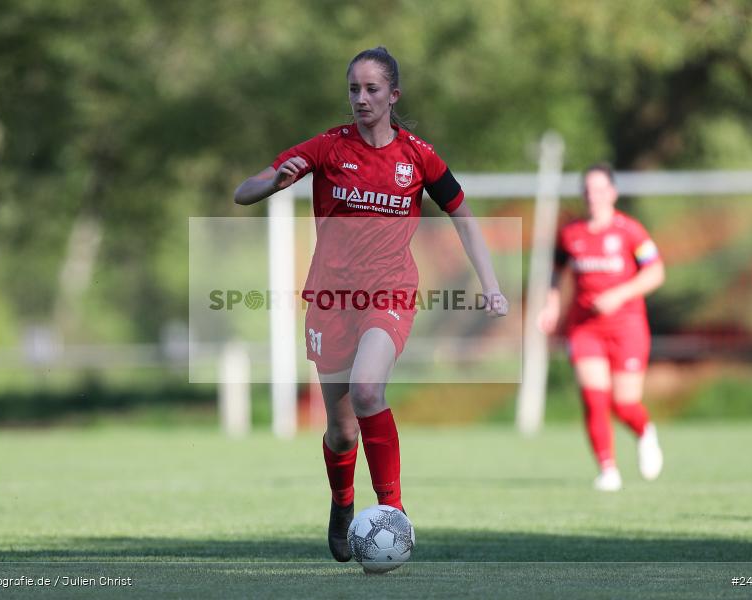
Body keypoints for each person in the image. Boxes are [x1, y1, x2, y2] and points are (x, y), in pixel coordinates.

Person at [234, 47, 508, 561]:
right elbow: (240, 193)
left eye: (372, 89)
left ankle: (393, 513)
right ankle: (342, 504)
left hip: (390, 291)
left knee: (367, 390)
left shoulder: (418, 157)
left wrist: (490, 282)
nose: (362, 99)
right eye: (354, 90)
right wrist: (273, 182)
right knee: (340, 432)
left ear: (393, 95)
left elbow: (463, 216)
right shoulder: (326, 148)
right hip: (330, 299)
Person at [538, 163, 665, 492]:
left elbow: (655, 273)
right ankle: (608, 470)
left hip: (627, 327)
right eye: (587, 190)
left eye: (599, 190)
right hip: (585, 328)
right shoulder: (570, 234)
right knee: (594, 399)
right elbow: (556, 271)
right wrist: (552, 306)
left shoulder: (630, 231)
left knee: (624, 404)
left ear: (613, 193)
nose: (592, 196)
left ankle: (644, 431)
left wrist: (619, 294)